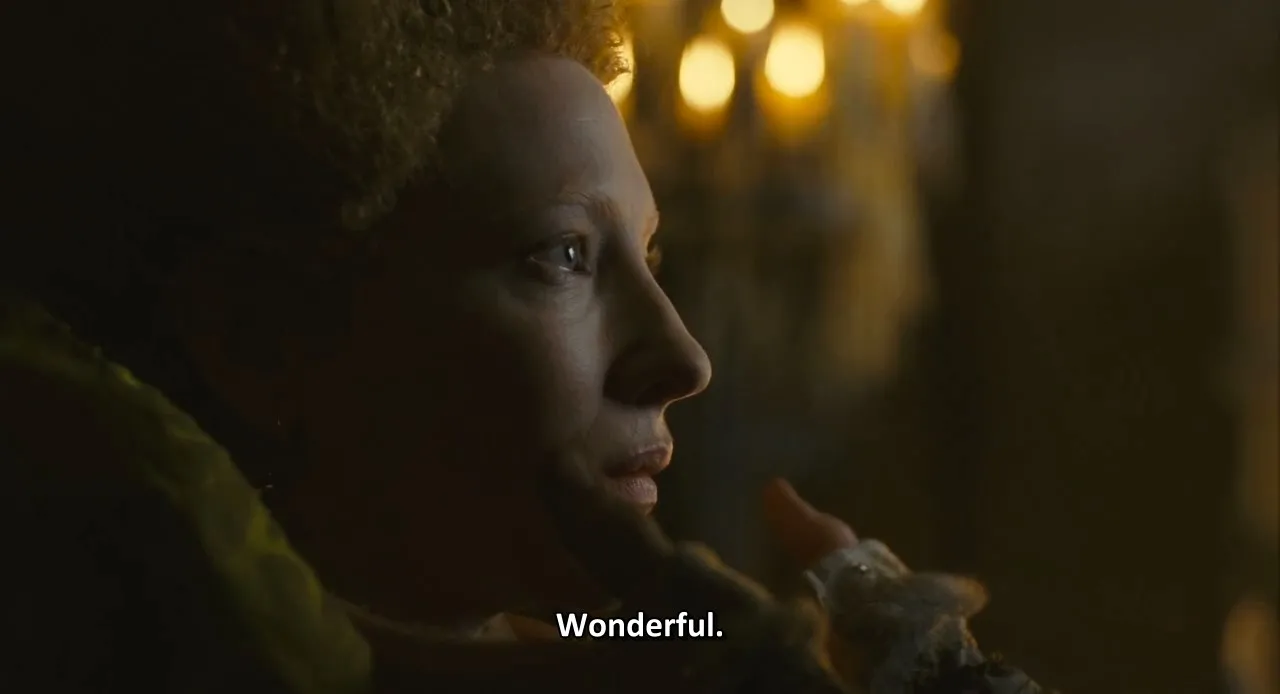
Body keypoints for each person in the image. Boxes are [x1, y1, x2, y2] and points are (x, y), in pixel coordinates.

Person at [0, 1, 1046, 691]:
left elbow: (651, 644)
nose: (683, 359)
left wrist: (907, 669)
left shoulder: (609, 639)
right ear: (259, 341)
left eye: (648, 255)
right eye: (561, 256)